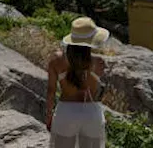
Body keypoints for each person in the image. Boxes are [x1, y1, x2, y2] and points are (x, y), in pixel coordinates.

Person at [46, 16, 109, 146]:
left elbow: (51, 91)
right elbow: (97, 91)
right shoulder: (98, 63)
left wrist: (48, 116)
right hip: (91, 113)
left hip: (66, 113)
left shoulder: (57, 60)